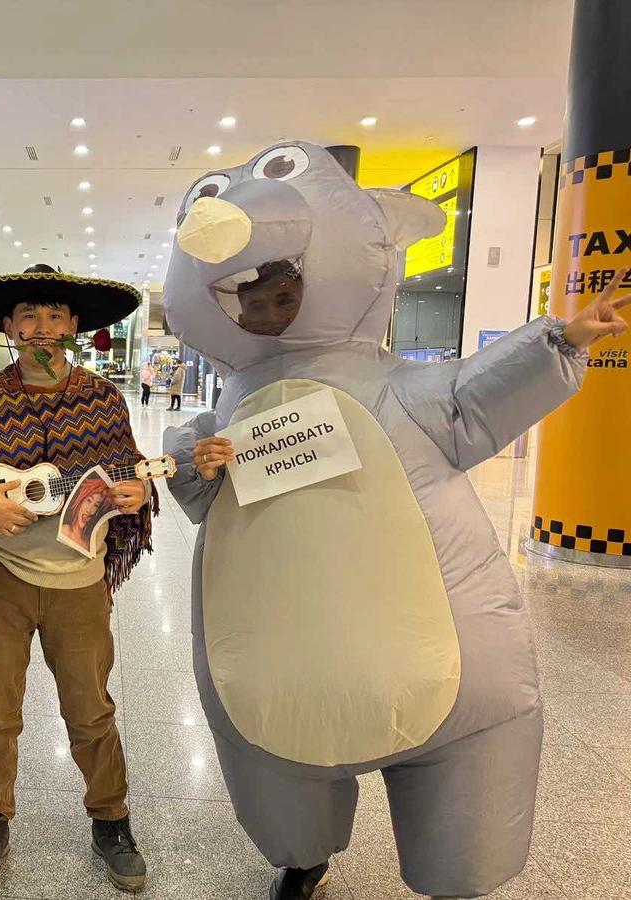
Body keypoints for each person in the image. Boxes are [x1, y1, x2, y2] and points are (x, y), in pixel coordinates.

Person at [163, 141, 629, 900]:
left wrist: (564, 338)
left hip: (435, 650)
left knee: (466, 801)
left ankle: (453, 861)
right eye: (252, 297)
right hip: (276, 657)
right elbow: (194, 491)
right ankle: (301, 854)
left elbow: (476, 393)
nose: (266, 305)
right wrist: (194, 461)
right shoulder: (230, 410)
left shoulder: (407, 391)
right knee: (279, 769)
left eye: (281, 289)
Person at [0, 264, 156, 895]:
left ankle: (111, 820)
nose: (42, 328)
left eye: (54, 316)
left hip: (80, 582)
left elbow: (130, 470)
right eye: (29, 317)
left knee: (91, 708)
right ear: (9, 327)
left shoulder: (102, 400)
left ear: (73, 326)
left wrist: (137, 491)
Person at [59, 473, 118, 556]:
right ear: (80, 501)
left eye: (96, 505)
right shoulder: (65, 530)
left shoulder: (88, 541)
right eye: (89, 500)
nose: (89, 510)